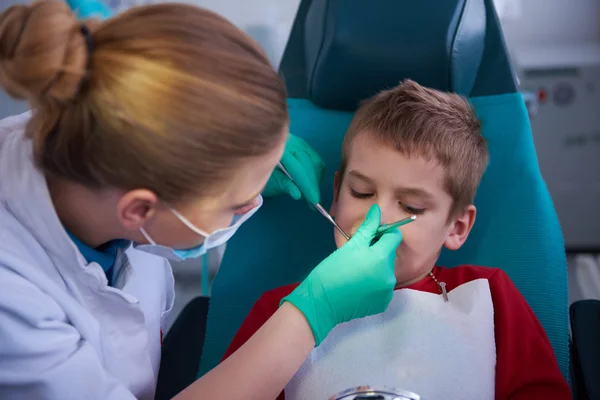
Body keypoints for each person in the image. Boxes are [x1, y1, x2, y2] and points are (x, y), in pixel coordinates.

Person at [0, 2, 403, 399]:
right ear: (138, 209)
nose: (248, 209)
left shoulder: (102, 145)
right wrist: (312, 314)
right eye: (235, 204)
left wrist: (247, 169)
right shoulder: (13, 305)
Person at [222, 80, 571, 400]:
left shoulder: (489, 296)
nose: (378, 218)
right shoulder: (282, 310)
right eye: (361, 192)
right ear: (336, 194)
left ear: (457, 227)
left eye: (411, 205)